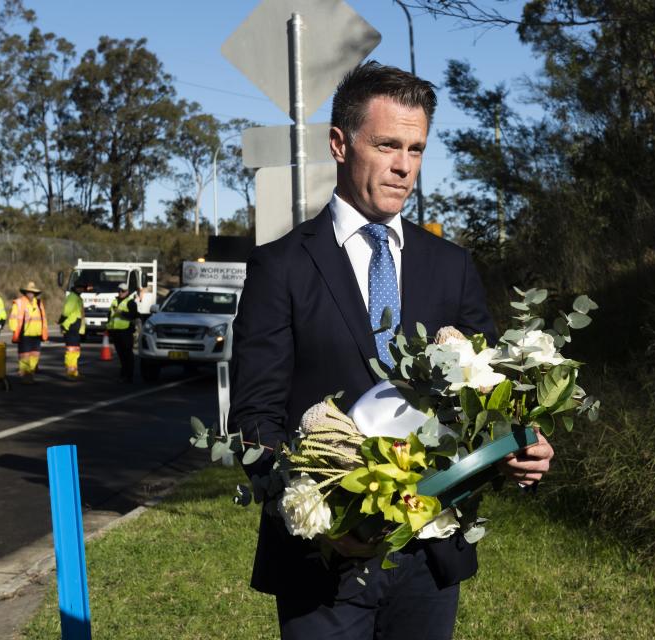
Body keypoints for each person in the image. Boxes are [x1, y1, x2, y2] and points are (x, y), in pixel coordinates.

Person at [230, 61, 555, 640]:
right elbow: (255, 418)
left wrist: (520, 442)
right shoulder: (280, 267)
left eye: (416, 149)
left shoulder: (450, 267)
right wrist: (321, 516)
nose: (404, 167)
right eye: (386, 145)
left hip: (430, 555)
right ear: (339, 143)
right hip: (320, 565)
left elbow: (492, 395)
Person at [8, 281, 48, 384]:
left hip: (37, 334)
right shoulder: (19, 302)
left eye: (32, 292)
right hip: (24, 334)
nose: (31, 294)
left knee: (35, 355)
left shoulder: (39, 303)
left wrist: (44, 332)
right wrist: (15, 330)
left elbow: (43, 318)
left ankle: (28, 373)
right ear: (25, 292)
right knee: (24, 356)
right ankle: (26, 376)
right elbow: (13, 318)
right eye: (29, 292)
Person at [107, 283, 138, 383]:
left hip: (126, 331)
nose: (120, 292)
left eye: (123, 291)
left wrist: (121, 313)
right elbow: (110, 316)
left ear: (127, 292)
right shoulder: (114, 301)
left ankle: (129, 376)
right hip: (116, 332)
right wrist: (108, 329)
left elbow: (133, 315)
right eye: (119, 290)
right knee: (120, 354)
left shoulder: (131, 302)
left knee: (127, 354)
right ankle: (123, 374)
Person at [59, 283, 87, 379]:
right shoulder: (73, 297)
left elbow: (81, 315)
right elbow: (66, 311)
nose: (82, 289)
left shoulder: (78, 298)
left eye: (83, 288)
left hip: (75, 329)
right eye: (80, 287)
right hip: (70, 328)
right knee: (71, 351)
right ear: (75, 288)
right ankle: (70, 373)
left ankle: (74, 372)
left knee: (75, 351)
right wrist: (61, 321)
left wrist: (82, 331)